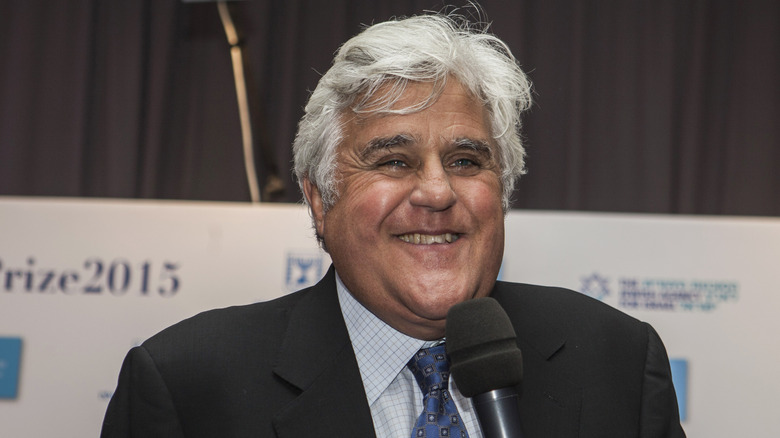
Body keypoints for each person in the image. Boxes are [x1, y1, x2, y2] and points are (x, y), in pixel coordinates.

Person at [101, 11, 685, 438]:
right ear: (319, 201)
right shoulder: (189, 387)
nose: (436, 192)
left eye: (465, 161)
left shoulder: (616, 363)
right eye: (393, 161)